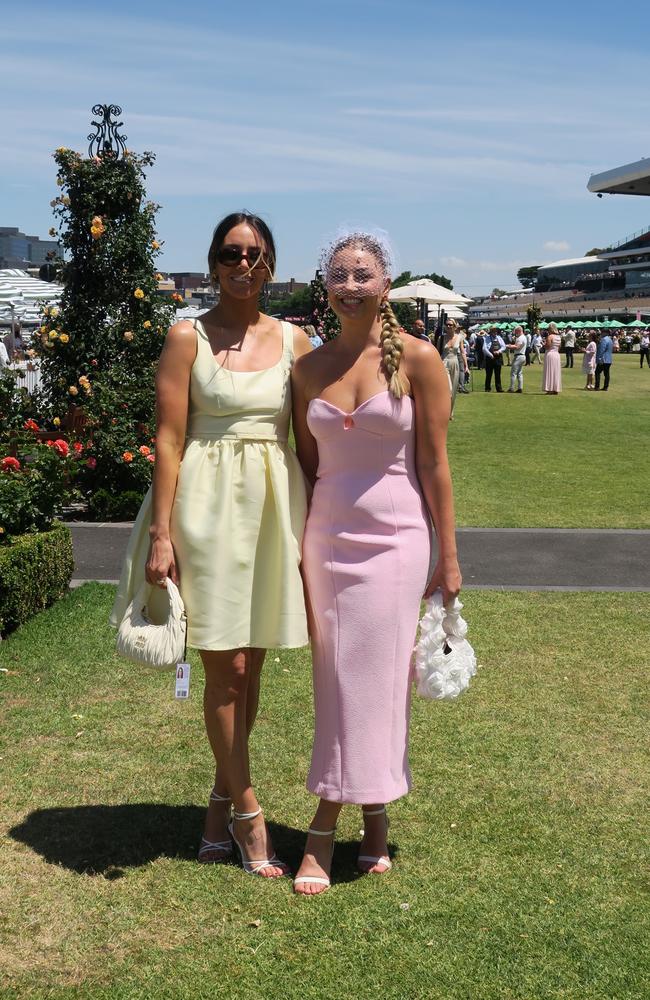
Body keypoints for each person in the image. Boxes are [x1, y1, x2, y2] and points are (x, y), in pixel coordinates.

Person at [110, 212, 312, 877]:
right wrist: (161, 532)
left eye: (255, 255)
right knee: (224, 667)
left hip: (272, 507)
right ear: (214, 261)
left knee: (249, 668)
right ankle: (248, 812)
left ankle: (217, 804)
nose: (243, 265)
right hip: (203, 506)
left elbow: (309, 443)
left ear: (272, 264)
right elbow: (168, 439)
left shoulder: (295, 341)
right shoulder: (186, 336)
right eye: (231, 253)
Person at [291, 230, 461, 895]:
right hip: (328, 542)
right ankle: (377, 818)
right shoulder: (307, 369)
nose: (351, 285)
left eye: (363, 274)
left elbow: (436, 465)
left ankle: (323, 827)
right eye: (340, 274)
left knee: (381, 681)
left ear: (384, 283)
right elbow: (307, 470)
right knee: (337, 681)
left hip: (398, 540)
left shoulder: (420, 359)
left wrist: (449, 558)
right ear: (326, 286)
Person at [441, 318, 468, 416]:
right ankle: (444, 410)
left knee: (454, 390)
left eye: (450, 325)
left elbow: (463, 352)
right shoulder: (441, 338)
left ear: (454, 327)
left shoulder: (459, 337)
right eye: (447, 324)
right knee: (449, 389)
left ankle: (450, 411)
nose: (448, 326)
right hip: (444, 363)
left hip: (455, 363)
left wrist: (466, 366)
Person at [483, 326, 505, 392]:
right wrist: (490, 355)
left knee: (498, 374)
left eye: (496, 331)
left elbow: (503, 346)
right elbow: (484, 348)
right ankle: (487, 388)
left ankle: (499, 388)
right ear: (491, 331)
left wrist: (499, 351)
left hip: (498, 358)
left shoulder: (499, 338)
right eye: (494, 331)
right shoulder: (487, 338)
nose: (495, 332)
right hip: (490, 358)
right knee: (488, 374)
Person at [542, 322, 562, 394]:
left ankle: (550, 389)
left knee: (549, 371)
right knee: (555, 372)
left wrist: (543, 344)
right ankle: (555, 388)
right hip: (556, 354)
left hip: (550, 354)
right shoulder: (559, 337)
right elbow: (559, 347)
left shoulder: (550, 337)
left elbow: (548, 346)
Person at [505, 325, 527, 392]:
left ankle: (511, 388)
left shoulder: (520, 338)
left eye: (516, 331)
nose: (515, 333)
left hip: (519, 356)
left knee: (513, 373)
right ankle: (520, 388)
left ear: (519, 331)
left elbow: (517, 347)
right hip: (522, 355)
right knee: (519, 373)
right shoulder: (523, 337)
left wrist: (508, 346)